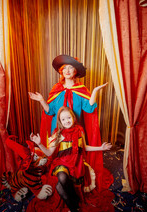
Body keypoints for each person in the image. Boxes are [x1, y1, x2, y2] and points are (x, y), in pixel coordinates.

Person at [29, 55, 109, 191]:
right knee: (56, 154)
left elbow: (89, 108)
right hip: (58, 130)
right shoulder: (57, 89)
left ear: (75, 71)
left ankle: (73, 177)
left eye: (70, 68)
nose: (67, 70)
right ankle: (59, 177)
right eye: (64, 68)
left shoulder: (81, 90)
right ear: (61, 71)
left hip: (74, 131)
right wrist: (42, 100)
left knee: (73, 155)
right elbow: (49, 111)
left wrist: (94, 92)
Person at [30, 106, 112, 212]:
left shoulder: (80, 131)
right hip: (61, 163)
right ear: (60, 122)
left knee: (59, 187)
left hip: (76, 163)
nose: (67, 121)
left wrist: (100, 148)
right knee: (62, 176)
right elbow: (49, 152)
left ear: (73, 118)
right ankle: (74, 200)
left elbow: (84, 148)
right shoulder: (58, 133)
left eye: (69, 118)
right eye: (63, 119)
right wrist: (39, 143)